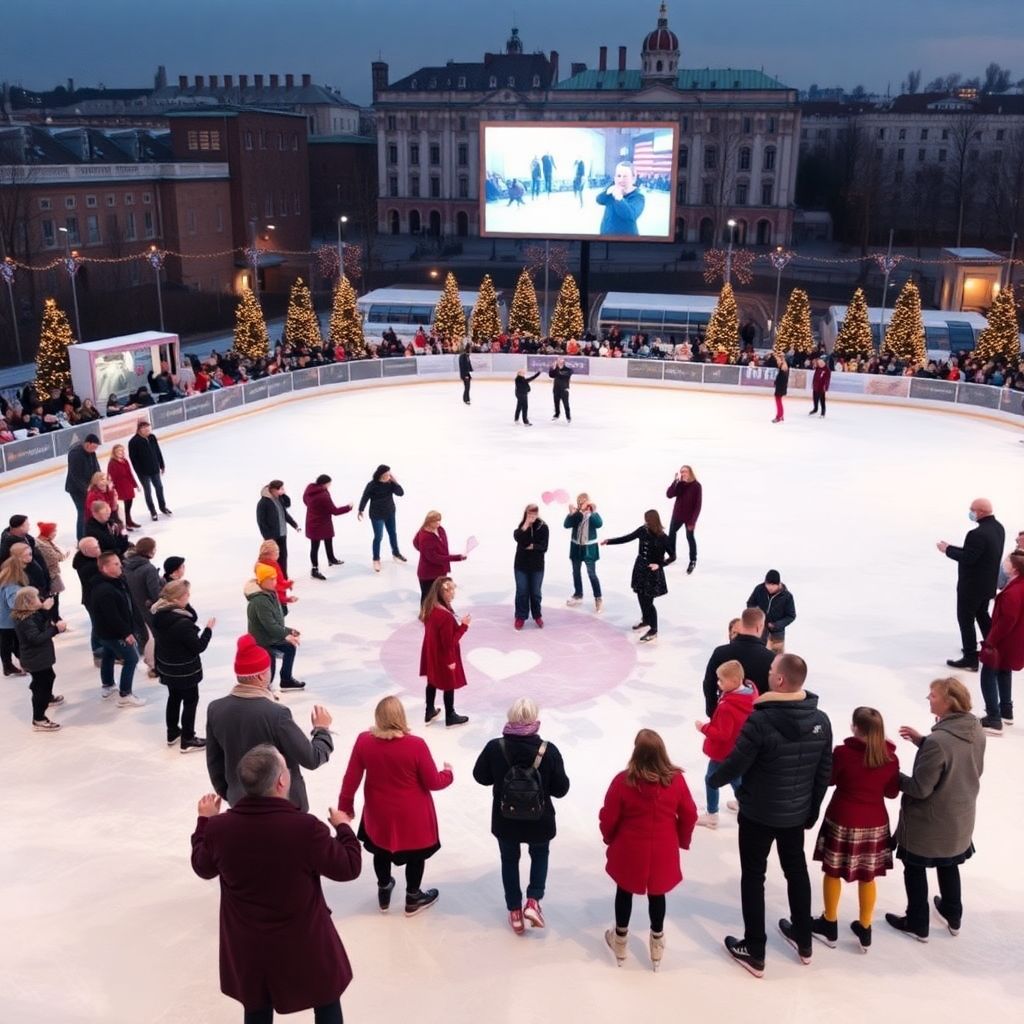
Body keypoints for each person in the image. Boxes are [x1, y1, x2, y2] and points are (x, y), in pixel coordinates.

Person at [191, 745, 361, 1024]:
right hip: (305, 940)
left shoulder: (220, 829)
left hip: (250, 946)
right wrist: (343, 828)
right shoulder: (305, 828)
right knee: (326, 999)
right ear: (282, 780)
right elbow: (349, 867)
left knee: (256, 1006)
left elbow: (202, 866)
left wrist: (203, 822)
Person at [710, 653, 833, 977]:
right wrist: (811, 810)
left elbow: (737, 763)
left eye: (770, 670)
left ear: (779, 680)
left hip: (758, 814)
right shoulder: (821, 720)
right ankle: (804, 939)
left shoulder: (761, 720)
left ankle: (755, 948)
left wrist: (713, 779)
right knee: (796, 871)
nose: (766, 672)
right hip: (794, 814)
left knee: (754, 876)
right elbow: (823, 773)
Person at [886, 677, 985, 941]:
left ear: (948, 701)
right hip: (959, 818)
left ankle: (917, 922)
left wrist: (889, 772)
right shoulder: (974, 728)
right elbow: (959, 760)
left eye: (932, 695)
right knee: (949, 863)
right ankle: (953, 914)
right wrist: (923, 741)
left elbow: (919, 788)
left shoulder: (939, 742)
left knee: (914, 868)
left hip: (929, 823)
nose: (928, 698)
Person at [338, 695, 453, 917]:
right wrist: (448, 773)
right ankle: (413, 896)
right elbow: (433, 782)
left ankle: (384, 889)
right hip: (413, 816)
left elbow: (351, 777)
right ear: (401, 716)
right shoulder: (416, 745)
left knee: (380, 850)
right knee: (415, 856)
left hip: (378, 813)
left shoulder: (364, 741)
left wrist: (346, 806)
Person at [599, 729, 698, 971]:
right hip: (663, 849)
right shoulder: (676, 780)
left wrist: (609, 837)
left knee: (624, 891)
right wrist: (681, 840)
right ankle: (656, 942)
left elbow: (609, 816)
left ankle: (620, 940)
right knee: (658, 894)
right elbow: (690, 814)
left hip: (630, 849)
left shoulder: (624, 781)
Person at [472, 697, 571, 933]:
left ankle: (515, 912)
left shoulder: (495, 747)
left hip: (506, 819)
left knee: (509, 860)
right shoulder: (548, 750)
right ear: (535, 720)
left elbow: (480, 776)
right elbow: (561, 789)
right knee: (539, 854)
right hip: (540, 820)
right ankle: (533, 901)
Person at [205, 636, 334, 811]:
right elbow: (311, 758)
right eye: (268, 669)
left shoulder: (215, 709)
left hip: (241, 803)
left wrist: (232, 795)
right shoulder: (276, 714)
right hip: (282, 807)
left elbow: (215, 764)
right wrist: (322, 730)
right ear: (260, 676)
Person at [810, 707, 899, 953]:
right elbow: (891, 792)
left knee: (832, 871)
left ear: (855, 728)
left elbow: (830, 779)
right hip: (875, 822)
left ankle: (829, 922)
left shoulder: (844, 753)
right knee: (867, 876)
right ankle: (865, 927)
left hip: (843, 818)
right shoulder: (890, 757)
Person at [937, 497, 1005, 671]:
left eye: (972, 510)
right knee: (982, 614)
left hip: (972, 587)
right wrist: (952, 547)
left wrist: (947, 550)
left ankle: (970, 656)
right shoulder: (998, 528)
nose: (970, 512)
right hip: (987, 584)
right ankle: (994, 647)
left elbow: (969, 558)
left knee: (965, 619)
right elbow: (977, 554)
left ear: (980, 512)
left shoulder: (977, 534)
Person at [152, 579, 214, 753]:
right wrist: (208, 630)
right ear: (178, 598)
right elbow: (198, 647)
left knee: (174, 697)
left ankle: (172, 732)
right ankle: (187, 738)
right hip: (184, 670)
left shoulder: (158, 614)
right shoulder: (182, 623)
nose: (189, 597)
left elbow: (191, 615)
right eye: (187, 594)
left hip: (168, 665)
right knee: (190, 700)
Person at [693, 661, 757, 829]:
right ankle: (746, 803)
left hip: (723, 751)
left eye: (721, 680)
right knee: (735, 777)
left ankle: (712, 815)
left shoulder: (728, 707)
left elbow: (722, 734)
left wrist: (704, 728)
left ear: (735, 681)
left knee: (711, 779)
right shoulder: (750, 694)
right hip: (738, 748)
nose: (718, 683)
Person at [601, 510, 676, 643]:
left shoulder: (663, 537)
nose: (645, 522)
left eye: (647, 520)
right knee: (641, 596)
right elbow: (628, 537)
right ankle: (646, 620)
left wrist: (660, 565)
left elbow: (673, 556)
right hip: (641, 567)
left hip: (653, 571)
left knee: (648, 601)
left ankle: (654, 630)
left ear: (652, 520)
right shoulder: (643, 530)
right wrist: (610, 541)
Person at [88, 551, 145, 707]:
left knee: (109, 654)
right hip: (112, 633)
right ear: (105, 568)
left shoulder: (117, 581)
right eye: (116, 564)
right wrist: (126, 633)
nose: (121, 566)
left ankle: (107, 685)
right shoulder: (104, 589)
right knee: (131, 658)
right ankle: (125, 694)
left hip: (108, 633)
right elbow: (111, 616)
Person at [978, 550, 1024, 732]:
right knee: (1004, 671)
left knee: (988, 674)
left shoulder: (1011, 593)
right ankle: (1006, 711)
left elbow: (1007, 620)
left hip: (1003, 642)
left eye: (1007, 561)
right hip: (1013, 641)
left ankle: (993, 717)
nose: (1003, 563)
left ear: (1014, 568)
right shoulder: (1019, 586)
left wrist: (990, 641)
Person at [700, 607, 775, 718]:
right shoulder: (771, 658)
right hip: (756, 720)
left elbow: (709, 684)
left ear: (742, 624)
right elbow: (774, 692)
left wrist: (713, 713)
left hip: (726, 716)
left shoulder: (720, 652)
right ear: (760, 627)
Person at [11, 586, 67, 732]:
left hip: (39, 656)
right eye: (37, 598)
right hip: (35, 658)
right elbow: (35, 638)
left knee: (48, 677)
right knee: (42, 685)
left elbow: (41, 622)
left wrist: (45, 610)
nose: (40, 599)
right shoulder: (25, 620)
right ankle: (39, 718)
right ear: (28, 602)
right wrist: (56, 629)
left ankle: (45, 696)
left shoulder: (31, 614)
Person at [419, 576, 470, 727]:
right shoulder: (445, 616)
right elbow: (449, 642)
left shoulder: (431, 607)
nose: (453, 593)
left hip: (431, 651)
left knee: (432, 680)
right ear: (444, 593)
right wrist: (464, 626)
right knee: (449, 684)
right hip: (443, 654)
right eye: (451, 590)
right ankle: (450, 715)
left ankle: (429, 710)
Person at [245, 564, 304, 690]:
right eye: (271, 579)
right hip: (261, 641)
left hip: (270, 638)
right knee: (269, 660)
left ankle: (286, 680)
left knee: (290, 649)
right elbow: (269, 625)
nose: (274, 582)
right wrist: (286, 634)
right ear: (262, 581)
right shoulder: (260, 601)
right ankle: (264, 689)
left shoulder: (271, 594)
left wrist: (289, 631)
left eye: (275, 578)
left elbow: (276, 619)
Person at [357, 464, 407, 573]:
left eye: (389, 474)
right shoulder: (372, 485)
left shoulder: (390, 483)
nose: (388, 476)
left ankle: (396, 553)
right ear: (380, 475)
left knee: (393, 533)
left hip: (390, 512)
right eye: (386, 475)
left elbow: (401, 493)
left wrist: (394, 481)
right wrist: (360, 510)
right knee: (378, 536)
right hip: (376, 515)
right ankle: (376, 559)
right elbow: (365, 497)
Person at [123, 536, 161, 676]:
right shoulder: (148, 568)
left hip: (135, 606)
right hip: (148, 608)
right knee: (154, 636)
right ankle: (153, 666)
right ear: (150, 551)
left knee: (147, 635)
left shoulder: (127, 564)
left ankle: (152, 663)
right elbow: (155, 594)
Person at [303, 474, 351, 580]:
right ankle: (314, 569)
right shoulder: (323, 495)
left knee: (327, 539)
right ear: (325, 484)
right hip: (320, 523)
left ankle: (331, 559)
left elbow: (305, 501)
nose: (330, 485)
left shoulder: (309, 489)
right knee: (315, 546)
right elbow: (335, 511)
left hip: (314, 521)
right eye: (329, 483)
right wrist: (348, 507)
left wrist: (316, 509)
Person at [412, 511, 466, 600]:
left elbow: (442, 548)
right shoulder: (425, 536)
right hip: (429, 575)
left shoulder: (440, 529)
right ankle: (426, 614)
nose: (438, 523)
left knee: (441, 598)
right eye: (435, 521)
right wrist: (457, 557)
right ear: (428, 522)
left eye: (439, 520)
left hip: (440, 572)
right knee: (428, 600)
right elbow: (435, 558)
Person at [564, 493, 603, 612]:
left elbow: (599, 524)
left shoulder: (592, 514)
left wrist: (593, 512)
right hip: (576, 547)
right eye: (579, 502)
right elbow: (566, 525)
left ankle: (598, 598)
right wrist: (571, 514)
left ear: (588, 502)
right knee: (576, 571)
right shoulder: (576, 514)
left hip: (589, 548)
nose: (581, 504)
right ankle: (578, 594)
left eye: (584, 501)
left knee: (591, 574)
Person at [513, 503, 548, 630]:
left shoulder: (543, 527)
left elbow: (544, 547)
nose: (532, 516)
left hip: (537, 566)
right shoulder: (522, 526)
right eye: (529, 514)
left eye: (534, 514)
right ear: (526, 514)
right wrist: (526, 525)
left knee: (535, 593)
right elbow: (518, 537)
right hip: (521, 565)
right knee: (522, 592)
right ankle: (520, 616)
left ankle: (537, 615)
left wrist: (533, 546)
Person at [128, 420, 172, 521]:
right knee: (148, 491)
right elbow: (133, 460)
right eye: (145, 428)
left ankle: (162, 507)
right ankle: (152, 511)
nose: (148, 430)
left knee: (159, 488)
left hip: (154, 469)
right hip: (143, 473)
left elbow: (157, 451)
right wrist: (140, 471)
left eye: (148, 428)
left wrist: (161, 464)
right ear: (140, 430)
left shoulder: (152, 437)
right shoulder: (133, 442)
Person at [256, 480, 299, 578]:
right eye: (281, 489)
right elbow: (261, 522)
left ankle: (283, 577)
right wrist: (268, 538)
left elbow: (286, 510)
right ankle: (270, 578)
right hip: (271, 536)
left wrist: (294, 524)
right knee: (271, 558)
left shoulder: (279, 499)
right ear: (274, 490)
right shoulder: (263, 502)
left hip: (282, 533)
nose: (283, 490)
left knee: (283, 557)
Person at [746, 570, 796, 653]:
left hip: (777, 634)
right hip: (760, 630)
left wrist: (776, 625)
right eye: (768, 584)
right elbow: (750, 604)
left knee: (777, 658)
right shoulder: (759, 589)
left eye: (773, 585)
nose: (770, 587)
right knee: (758, 654)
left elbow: (791, 616)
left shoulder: (787, 596)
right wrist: (757, 615)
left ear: (778, 584)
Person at [665, 465, 702, 574]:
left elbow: (698, 505)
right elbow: (669, 495)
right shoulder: (680, 484)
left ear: (690, 472)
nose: (683, 473)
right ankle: (672, 555)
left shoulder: (696, 486)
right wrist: (675, 482)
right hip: (677, 515)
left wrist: (693, 521)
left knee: (690, 537)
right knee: (671, 533)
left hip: (689, 517)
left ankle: (693, 560)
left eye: (685, 471)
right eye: (682, 472)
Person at [65, 433, 101, 539]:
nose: (95, 449)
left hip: (89, 487)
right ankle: (81, 538)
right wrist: (87, 490)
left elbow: (96, 467)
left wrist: (100, 479)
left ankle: (90, 533)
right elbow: (75, 476)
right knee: (82, 511)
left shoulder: (92, 452)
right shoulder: (75, 454)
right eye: (94, 447)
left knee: (90, 510)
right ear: (87, 444)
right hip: (76, 489)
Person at [596, 161, 645, 236]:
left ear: (633, 178)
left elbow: (630, 215)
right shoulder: (613, 190)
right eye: (618, 176)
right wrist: (606, 192)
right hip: (606, 236)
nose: (621, 179)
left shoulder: (638, 197)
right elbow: (599, 200)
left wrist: (619, 198)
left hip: (625, 241)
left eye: (625, 176)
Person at [34, 523, 67, 622]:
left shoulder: (47, 542)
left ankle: (55, 618)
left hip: (52, 574)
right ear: (48, 532)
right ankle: (54, 619)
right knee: (52, 599)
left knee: (55, 598)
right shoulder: (42, 544)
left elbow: (59, 556)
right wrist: (63, 556)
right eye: (54, 531)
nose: (55, 534)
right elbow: (57, 557)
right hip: (49, 575)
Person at [107, 444, 141, 529]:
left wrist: (135, 485)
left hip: (128, 485)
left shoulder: (125, 461)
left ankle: (129, 521)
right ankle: (125, 524)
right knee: (124, 507)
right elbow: (111, 477)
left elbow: (130, 473)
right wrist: (112, 489)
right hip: (120, 487)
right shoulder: (112, 463)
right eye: (119, 451)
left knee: (129, 505)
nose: (121, 452)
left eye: (122, 450)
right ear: (114, 452)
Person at [548, 357, 573, 422]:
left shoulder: (568, 370)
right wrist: (552, 369)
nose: (559, 360)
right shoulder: (555, 369)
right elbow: (551, 375)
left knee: (566, 404)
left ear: (564, 361)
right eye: (558, 359)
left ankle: (568, 417)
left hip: (564, 389)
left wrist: (556, 369)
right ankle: (557, 414)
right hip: (556, 389)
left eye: (561, 359)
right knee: (556, 403)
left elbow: (564, 375)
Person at [771, 357, 789, 423]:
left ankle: (779, 416)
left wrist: (783, 360)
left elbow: (782, 378)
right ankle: (780, 416)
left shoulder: (783, 367)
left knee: (779, 402)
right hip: (780, 387)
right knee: (779, 402)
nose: (777, 362)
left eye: (778, 360)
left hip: (780, 388)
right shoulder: (782, 367)